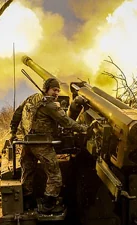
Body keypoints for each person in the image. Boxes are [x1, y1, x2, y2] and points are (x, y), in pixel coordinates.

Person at [9, 78, 87, 213]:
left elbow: (17, 113)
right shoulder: (50, 105)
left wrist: (13, 131)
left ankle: (27, 201)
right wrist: (82, 128)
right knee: (55, 175)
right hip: (42, 144)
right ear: (46, 88)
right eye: (54, 90)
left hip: (27, 142)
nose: (56, 93)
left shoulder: (31, 98)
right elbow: (66, 122)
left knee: (27, 172)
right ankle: (48, 204)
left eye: (58, 91)